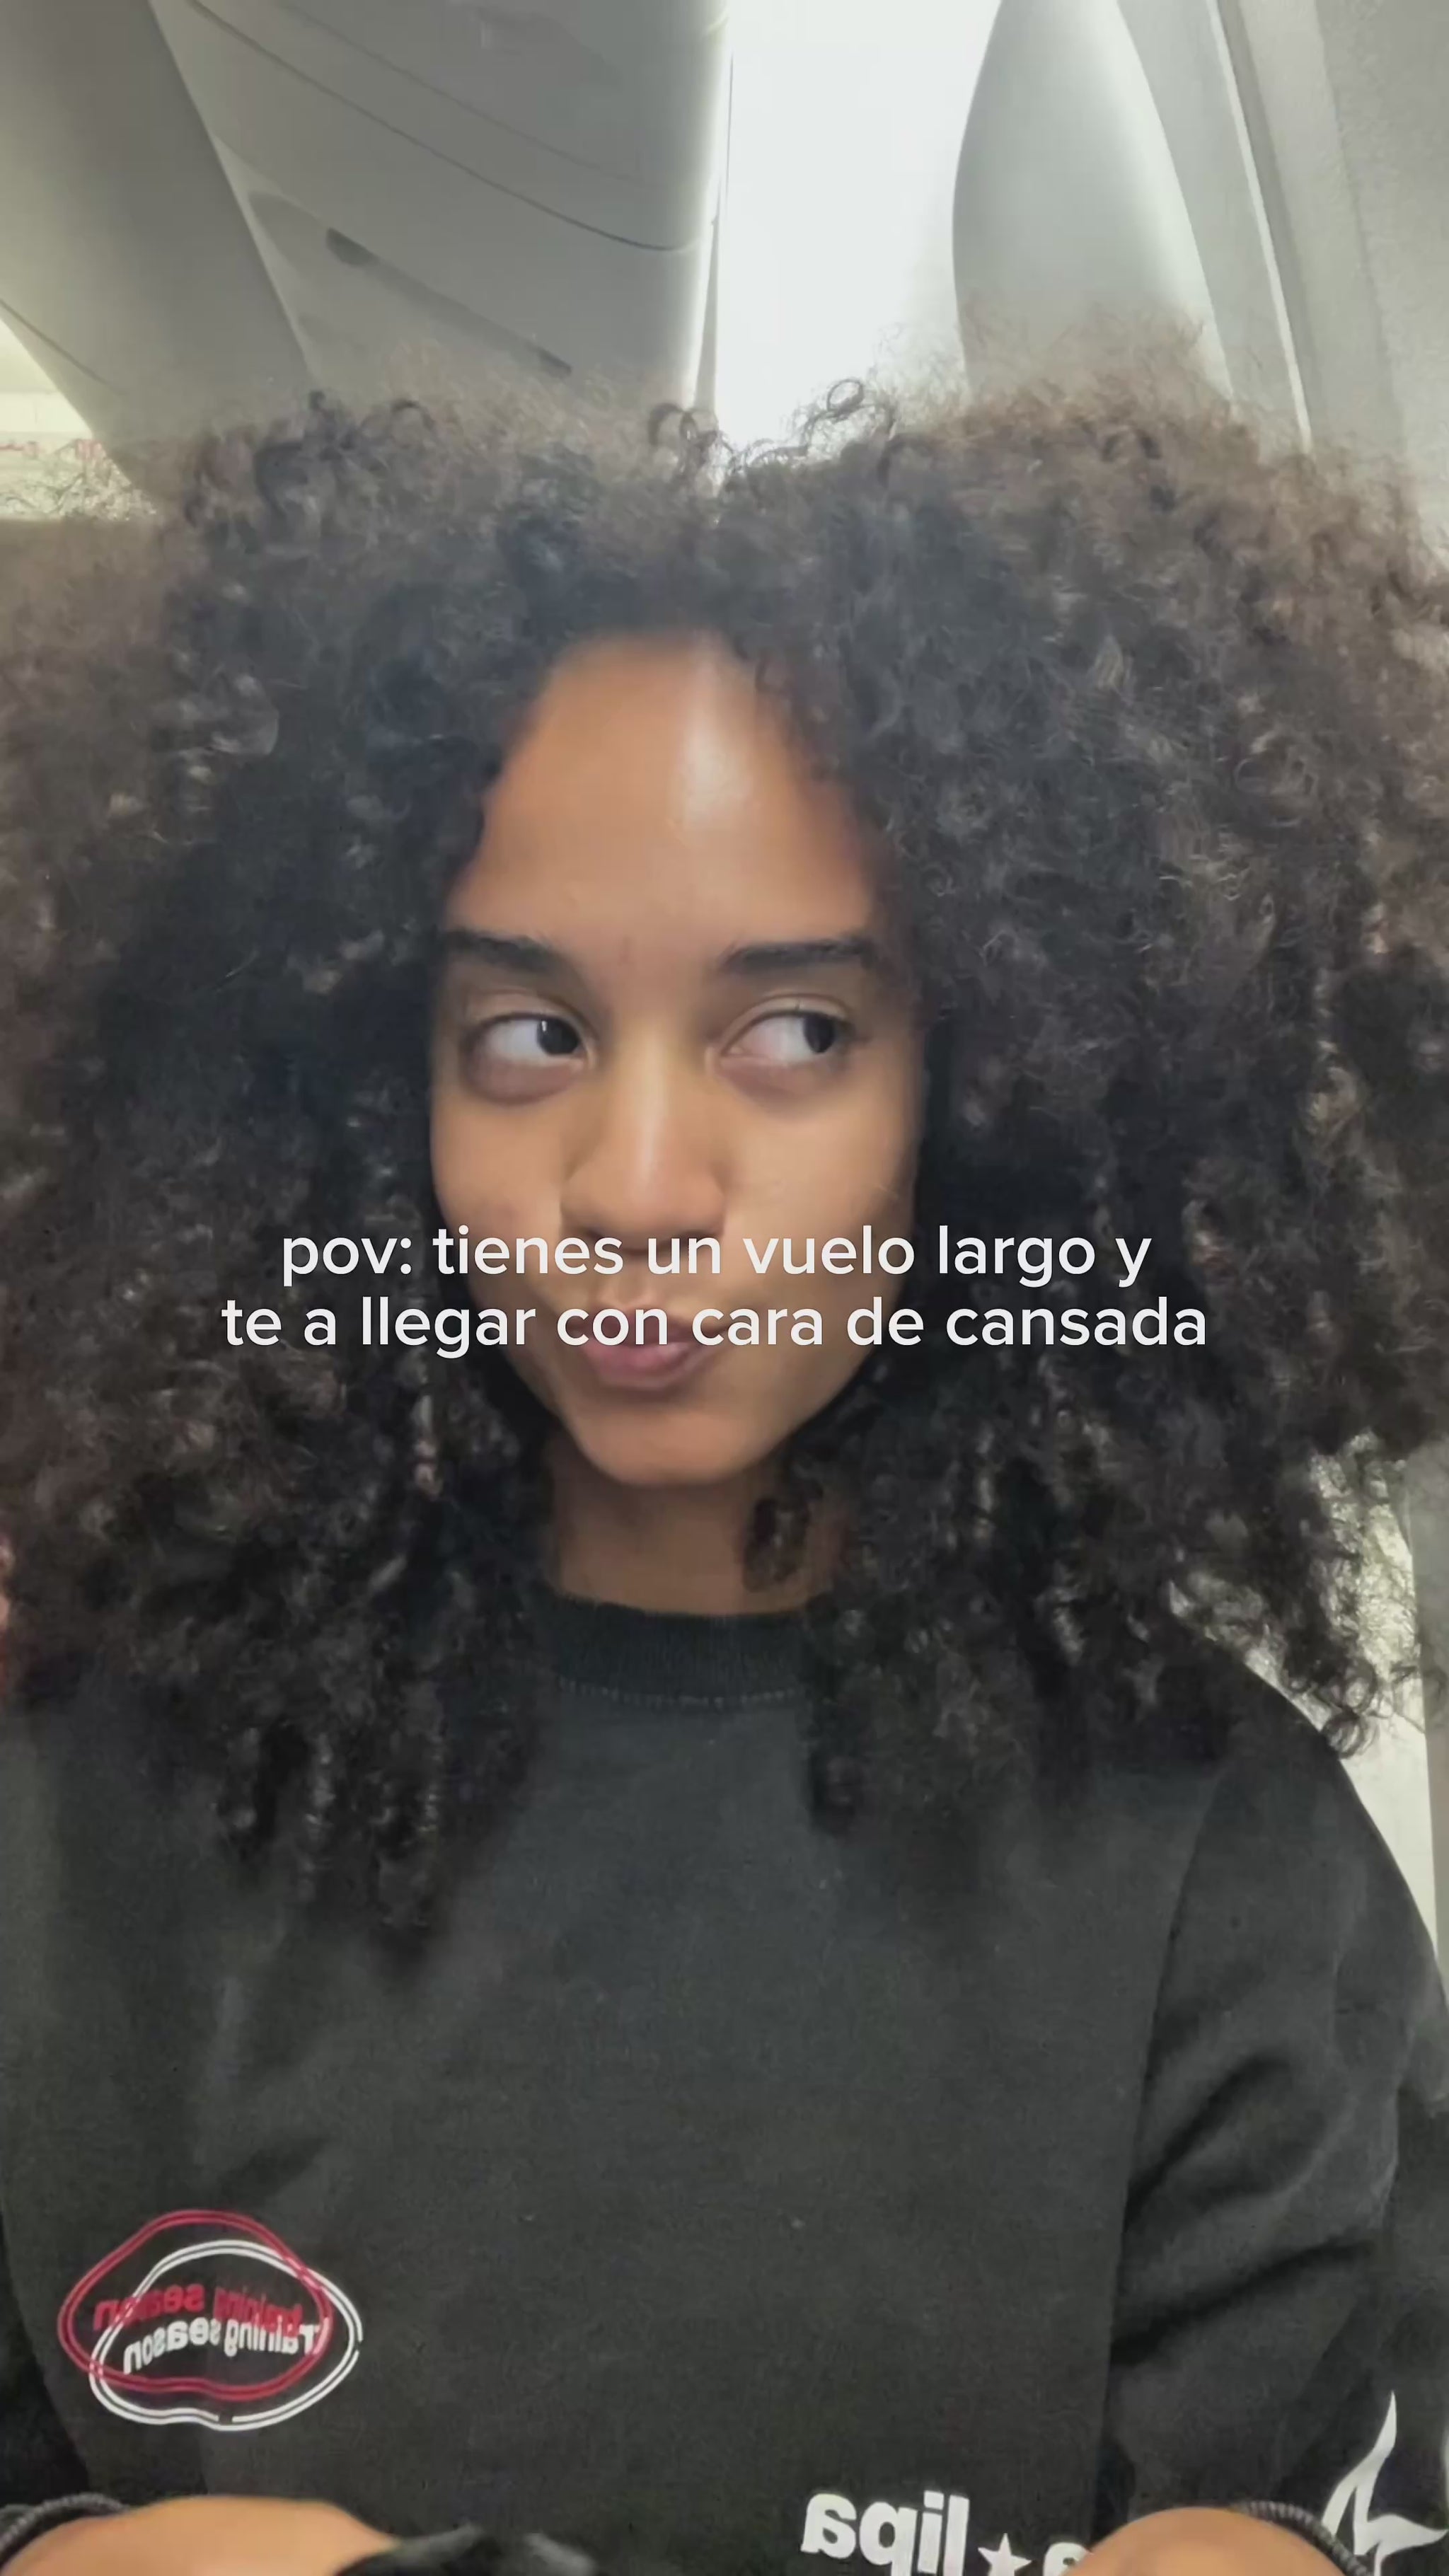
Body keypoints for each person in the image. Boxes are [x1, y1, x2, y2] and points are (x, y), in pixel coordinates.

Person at [1, 371, 1448, 2576]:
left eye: (795, 1034)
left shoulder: (1219, 1877)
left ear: (997, 1094)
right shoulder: (94, 1808)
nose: (636, 1184)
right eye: (530, 1035)